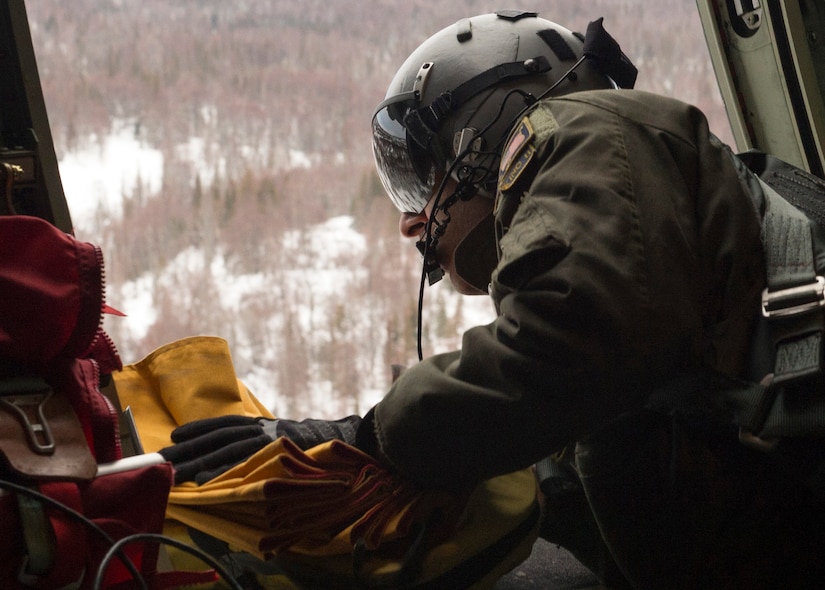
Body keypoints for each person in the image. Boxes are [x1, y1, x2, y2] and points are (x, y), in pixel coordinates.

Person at [161, 10, 825, 589]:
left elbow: (568, 343)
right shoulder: (639, 229)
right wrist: (348, 443)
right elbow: (558, 469)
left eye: (424, 178)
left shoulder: (582, 129)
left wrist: (371, 435)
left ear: (483, 130)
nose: (411, 221)